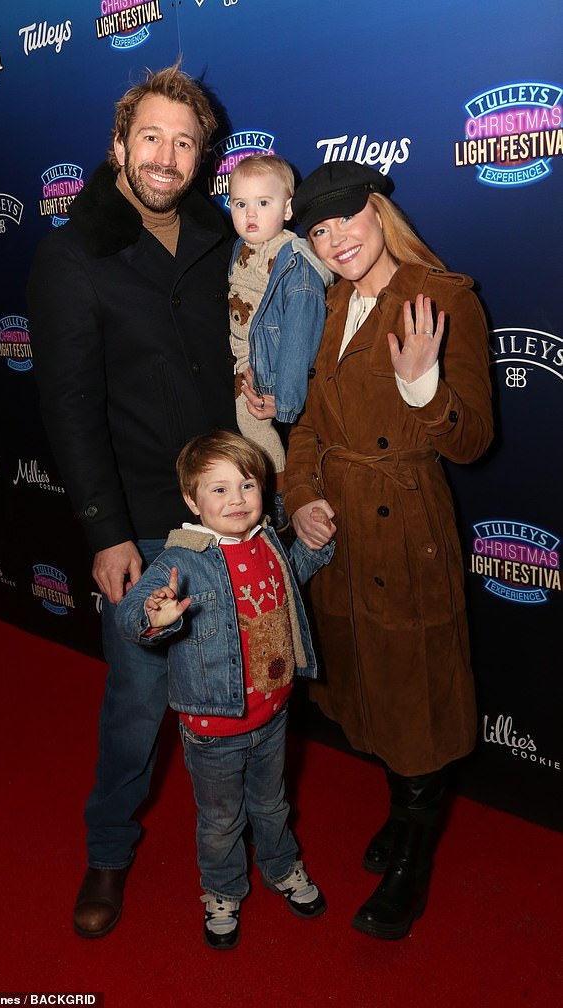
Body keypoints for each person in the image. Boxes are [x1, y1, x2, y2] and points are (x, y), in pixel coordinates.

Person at [27, 63, 238, 939]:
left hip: (233, 508)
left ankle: (238, 847)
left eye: (185, 142)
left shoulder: (218, 232)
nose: (166, 155)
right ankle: (108, 850)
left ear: (202, 158)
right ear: (118, 145)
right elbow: (70, 408)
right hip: (148, 526)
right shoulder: (73, 255)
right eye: (150, 136)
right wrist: (106, 535)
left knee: (236, 695)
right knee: (137, 702)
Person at [283, 160, 493, 940]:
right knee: (368, 687)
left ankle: (414, 855)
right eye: (319, 230)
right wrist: (300, 496)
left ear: (377, 212)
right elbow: (305, 426)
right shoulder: (333, 302)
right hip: (338, 526)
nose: (335, 239)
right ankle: (405, 818)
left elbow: (473, 440)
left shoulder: (445, 298)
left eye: (344, 220)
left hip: (406, 526)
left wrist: (423, 388)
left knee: (416, 696)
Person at [115, 431, 333, 949]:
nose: (236, 500)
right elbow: (130, 616)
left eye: (247, 485)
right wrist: (156, 617)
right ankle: (222, 889)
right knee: (220, 819)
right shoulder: (181, 561)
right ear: (192, 499)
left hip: (273, 714)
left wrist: (316, 544)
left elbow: (290, 580)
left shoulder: (267, 540)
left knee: (273, 804)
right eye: (218, 490)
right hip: (214, 728)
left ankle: (282, 867)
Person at [227, 155, 331, 528]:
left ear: (287, 209)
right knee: (245, 439)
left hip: (269, 376)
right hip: (244, 361)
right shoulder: (240, 249)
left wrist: (284, 401)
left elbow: (297, 341)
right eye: (240, 204)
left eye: (263, 203)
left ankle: (282, 495)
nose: (249, 214)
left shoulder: (295, 264)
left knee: (253, 428)